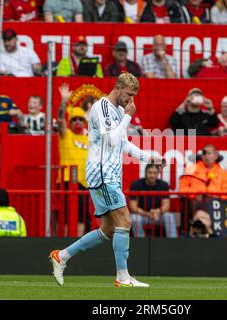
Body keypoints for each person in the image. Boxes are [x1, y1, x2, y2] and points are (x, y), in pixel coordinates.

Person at [49, 73, 165, 288]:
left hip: (110, 174)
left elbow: (123, 144)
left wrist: (150, 157)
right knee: (125, 221)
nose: (131, 101)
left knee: (109, 229)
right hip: (102, 174)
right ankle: (122, 277)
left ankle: (62, 256)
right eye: (129, 95)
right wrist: (129, 117)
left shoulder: (118, 110)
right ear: (118, 87)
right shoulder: (101, 107)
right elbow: (111, 140)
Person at [56, 83, 89, 236]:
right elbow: (60, 118)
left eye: (80, 119)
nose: (77, 121)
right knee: (66, 217)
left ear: (84, 122)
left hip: (84, 183)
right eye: (74, 119)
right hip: (67, 180)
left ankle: (79, 246)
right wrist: (64, 101)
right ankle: (64, 246)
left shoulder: (90, 138)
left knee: (82, 217)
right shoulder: (66, 134)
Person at [129, 163, 177, 238]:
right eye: (149, 172)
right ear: (145, 173)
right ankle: (141, 244)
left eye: (154, 173)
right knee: (134, 218)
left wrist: (158, 211)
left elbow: (166, 205)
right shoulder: (136, 184)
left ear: (158, 173)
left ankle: (174, 245)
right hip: (142, 215)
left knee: (169, 216)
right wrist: (147, 214)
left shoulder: (164, 185)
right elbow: (133, 207)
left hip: (158, 215)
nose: (152, 175)